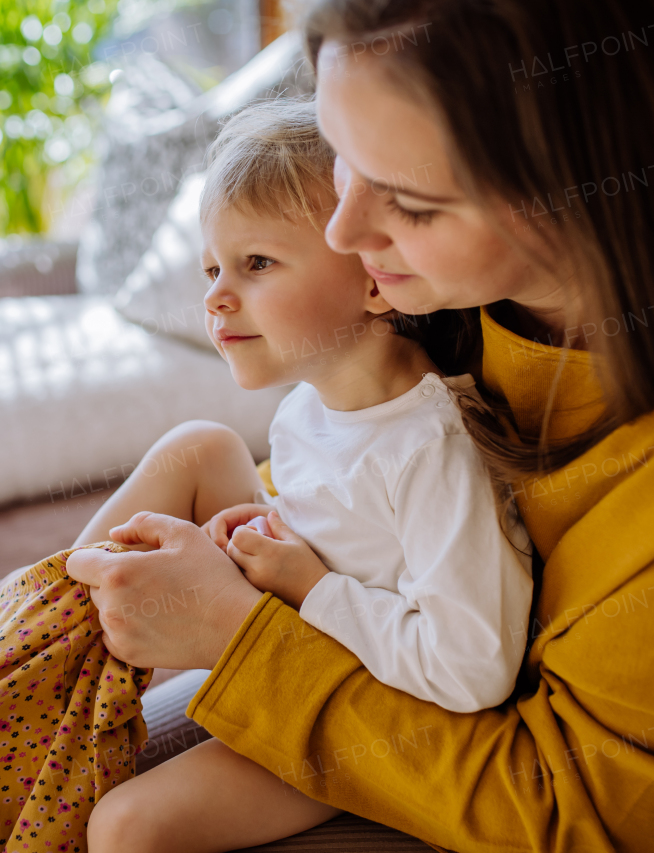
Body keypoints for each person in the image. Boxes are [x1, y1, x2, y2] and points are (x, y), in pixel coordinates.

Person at [65, 0, 654, 850]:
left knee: (130, 826)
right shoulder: (469, 290)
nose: (343, 231)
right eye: (344, 162)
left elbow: (571, 814)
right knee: (81, 781)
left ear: (577, 171)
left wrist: (238, 635)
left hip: (572, 812)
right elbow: (374, 475)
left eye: (408, 199)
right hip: (427, 695)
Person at [80, 97, 532, 851]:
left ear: (376, 278)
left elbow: (472, 670)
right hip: (317, 639)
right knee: (199, 446)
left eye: (257, 263)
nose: (216, 296)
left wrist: (307, 586)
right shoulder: (304, 411)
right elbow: (343, 535)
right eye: (212, 267)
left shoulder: (429, 448)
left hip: (387, 708)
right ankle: (41, 648)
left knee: (126, 826)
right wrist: (263, 539)